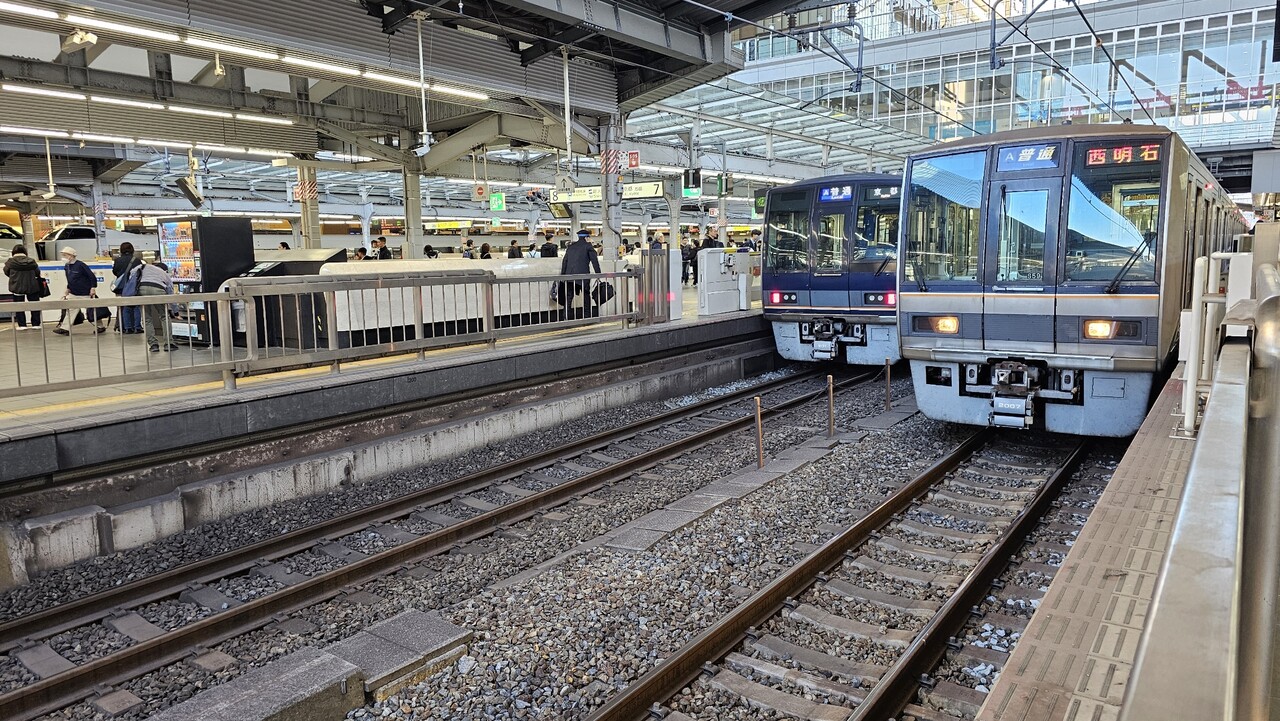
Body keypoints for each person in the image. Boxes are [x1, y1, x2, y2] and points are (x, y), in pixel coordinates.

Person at [54, 247, 105, 335]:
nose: (63, 257)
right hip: (74, 293)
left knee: (91, 311)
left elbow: (91, 276)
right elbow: (70, 279)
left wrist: (93, 287)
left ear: (71, 256)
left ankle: (100, 326)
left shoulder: (81, 265)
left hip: (85, 293)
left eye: (65, 255)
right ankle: (65, 328)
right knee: (71, 310)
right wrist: (68, 288)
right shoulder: (67, 266)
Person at [132, 258, 177, 352]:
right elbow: (170, 292)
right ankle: (169, 343)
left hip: (142, 288)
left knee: (147, 318)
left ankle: (153, 345)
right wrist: (175, 311)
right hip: (159, 289)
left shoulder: (143, 266)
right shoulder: (164, 273)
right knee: (164, 316)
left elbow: (132, 274)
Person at [4, 244, 42, 330]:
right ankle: (36, 324)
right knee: (34, 305)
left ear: (13, 252)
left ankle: (22, 325)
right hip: (32, 286)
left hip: (17, 287)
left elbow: (6, 272)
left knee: (19, 306)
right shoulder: (31, 261)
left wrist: (14, 278)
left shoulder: (10, 262)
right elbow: (37, 273)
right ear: (25, 252)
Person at [560, 228, 601, 308]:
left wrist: (563, 275)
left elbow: (565, 261)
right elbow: (594, 261)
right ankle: (587, 314)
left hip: (570, 276)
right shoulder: (588, 246)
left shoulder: (571, 246)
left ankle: (566, 314)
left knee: (569, 297)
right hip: (583, 276)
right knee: (586, 296)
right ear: (586, 238)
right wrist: (598, 274)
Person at [112, 242, 143, 334]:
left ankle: (127, 327)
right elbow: (140, 272)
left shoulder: (118, 260)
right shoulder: (137, 260)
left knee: (125, 307)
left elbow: (115, 272)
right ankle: (137, 327)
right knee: (136, 307)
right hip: (134, 286)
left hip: (122, 287)